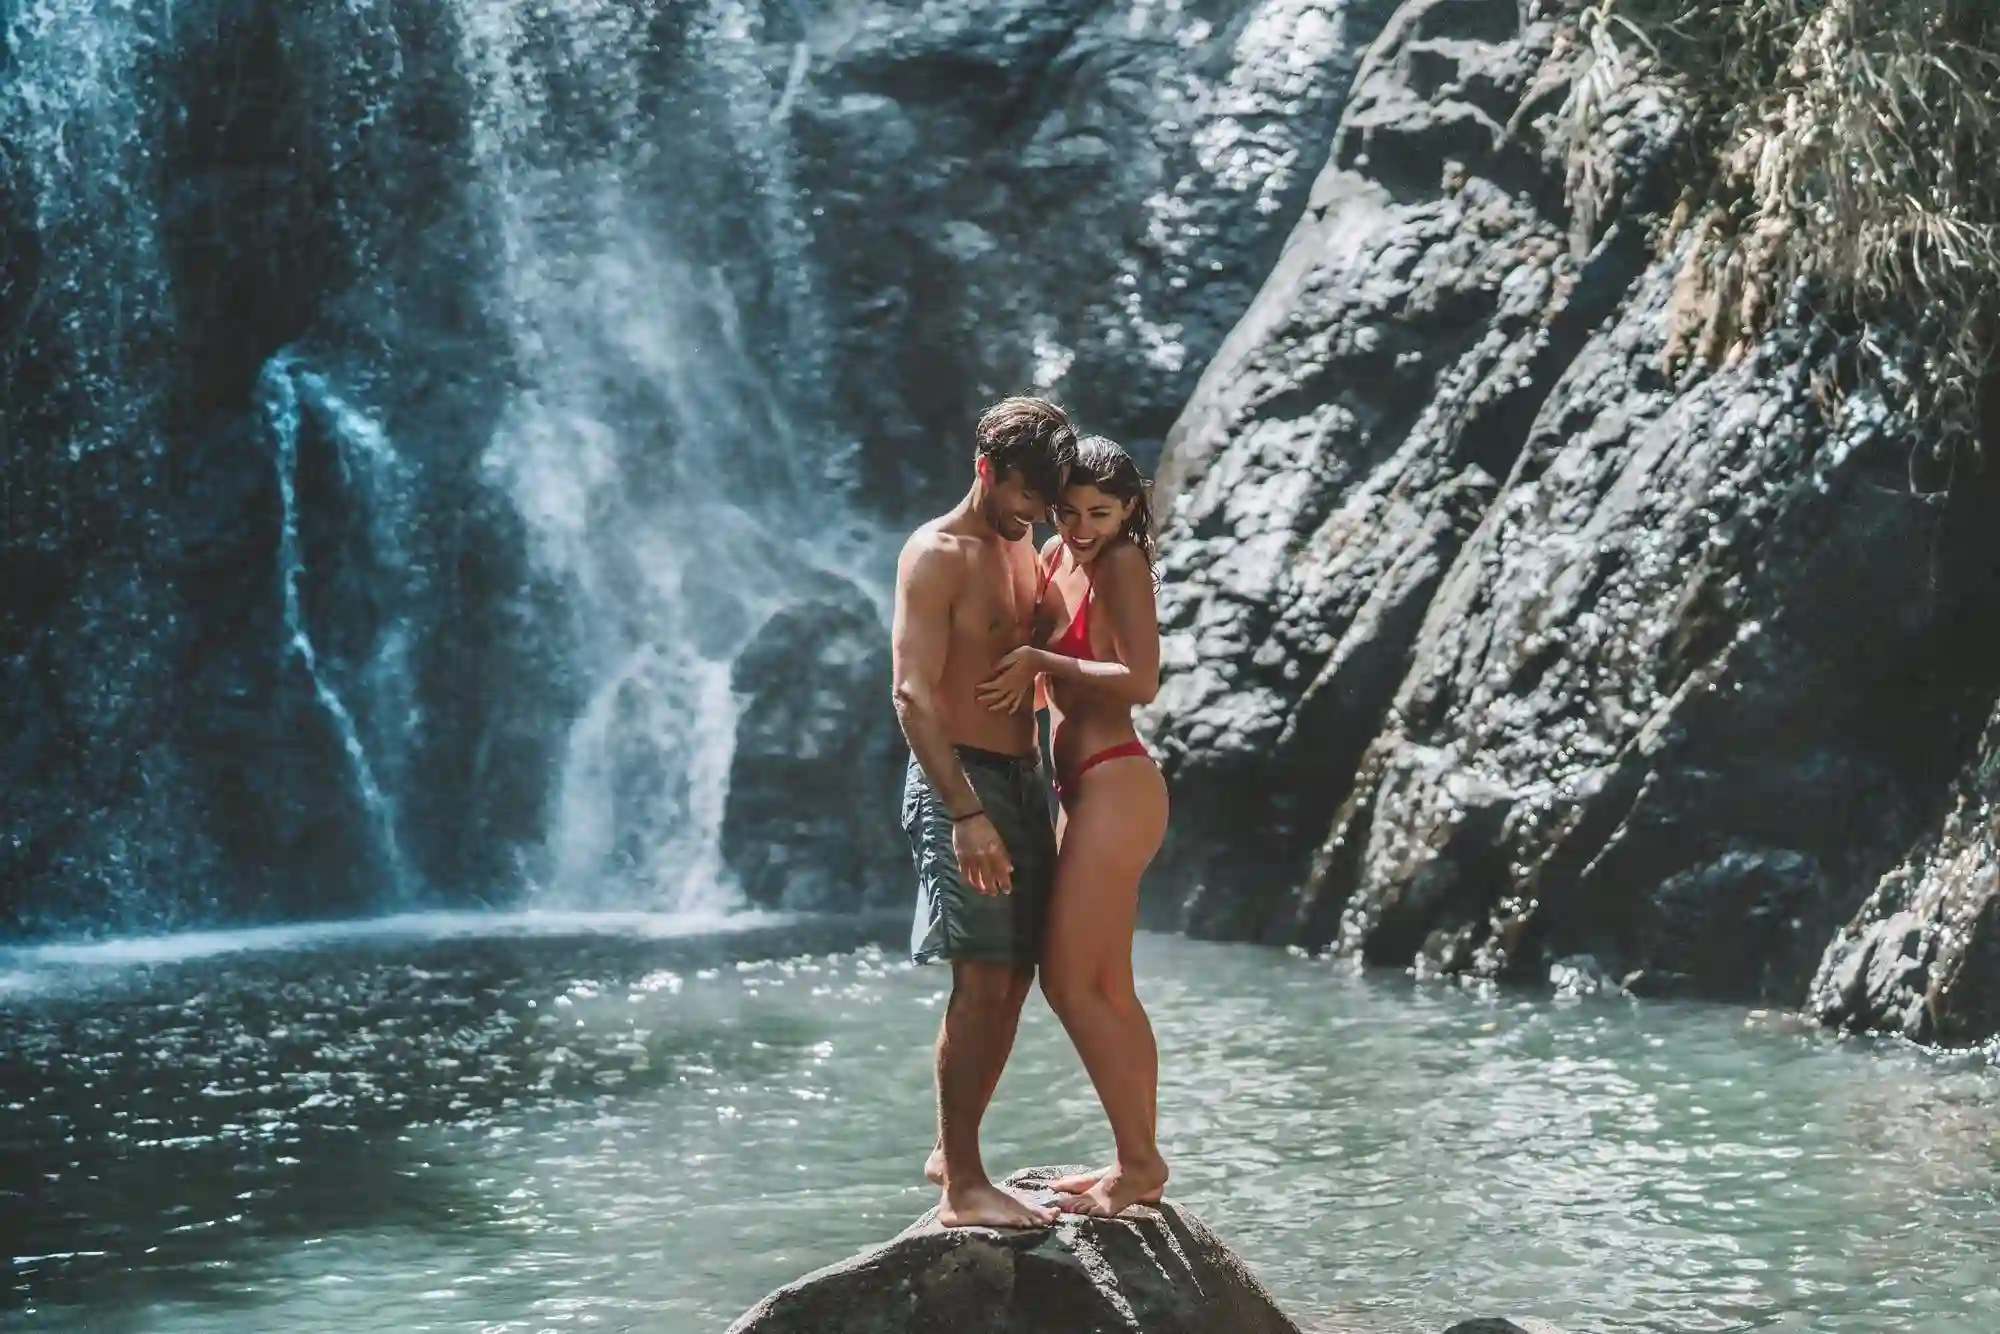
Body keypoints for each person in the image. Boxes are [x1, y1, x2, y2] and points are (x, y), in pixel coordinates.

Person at [891, 395, 1078, 1229]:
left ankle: (951, 1150)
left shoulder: (1026, 548)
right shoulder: (936, 554)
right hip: (957, 780)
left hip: (1021, 775)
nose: (1034, 516)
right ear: (985, 471)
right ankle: (963, 1182)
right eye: (1024, 497)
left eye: (1043, 504)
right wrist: (966, 814)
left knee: (1018, 975)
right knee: (982, 977)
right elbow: (910, 695)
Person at [976, 434, 1169, 1218]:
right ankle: (1136, 1162)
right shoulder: (1056, 557)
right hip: (1082, 791)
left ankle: (1141, 1164)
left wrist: (1044, 667)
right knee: (1108, 988)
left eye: (1100, 512)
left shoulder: (1122, 564)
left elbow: (1142, 679)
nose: (1082, 526)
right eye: (1068, 511)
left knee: (1071, 983)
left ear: (1129, 508)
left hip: (1118, 778)